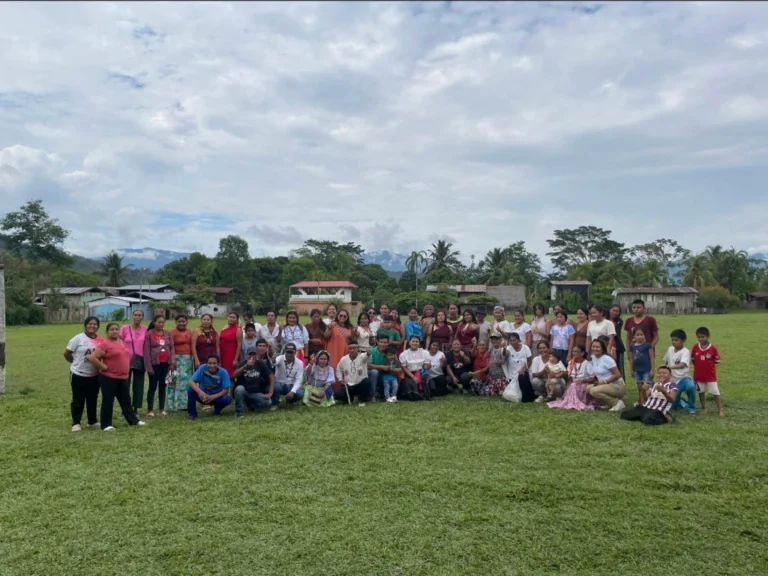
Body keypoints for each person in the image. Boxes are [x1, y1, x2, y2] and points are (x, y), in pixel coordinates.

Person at [89, 322, 145, 431]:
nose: (114, 331)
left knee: (126, 400)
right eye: (112, 329)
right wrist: (102, 367)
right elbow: (93, 358)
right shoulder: (104, 344)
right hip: (108, 377)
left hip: (122, 377)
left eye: (116, 329)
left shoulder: (121, 342)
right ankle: (106, 424)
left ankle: (133, 420)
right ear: (107, 332)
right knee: (108, 400)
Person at [64, 316, 103, 431]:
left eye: (95, 324)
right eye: (90, 324)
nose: (92, 326)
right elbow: (67, 353)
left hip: (94, 375)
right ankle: (76, 423)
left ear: (98, 326)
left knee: (92, 398)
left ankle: (92, 421)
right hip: (78, 374)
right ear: (86, 325)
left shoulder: (100, 340)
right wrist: (74, 362)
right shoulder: (78, 338)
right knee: (78, 399)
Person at [547, 344, 600, 411]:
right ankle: (570, 401)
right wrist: (566, 391)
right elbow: (570, 379)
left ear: (582, 353)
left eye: (576, 351)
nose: (574, 353)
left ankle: (575, 402)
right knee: (573, 385)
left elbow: (593, 378)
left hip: (584, 384)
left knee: (574, 385)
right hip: (573, 385)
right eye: (573, 351)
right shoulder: (571, 363)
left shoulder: (587, 363)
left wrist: (582, 380)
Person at [143, 315, 175, 418]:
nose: (161, 324)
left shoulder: (168, 334)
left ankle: (161, 409)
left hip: (165, 364)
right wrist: (149, 367)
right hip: (154, 364)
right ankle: (150, 410)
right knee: (152, 387)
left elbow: (172, 348)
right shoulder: (149, 334)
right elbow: (146, 351)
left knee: (163, 386)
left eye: (162, 322)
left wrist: (172, 363)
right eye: (159, 322)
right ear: (154, 322)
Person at [233, 340, 275, 417]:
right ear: (247, 355)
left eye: (254, 354)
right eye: (250, 354)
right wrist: (246, 366)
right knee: (239, 389)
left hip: (255, 393)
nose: (252, 357)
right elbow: (235, 375)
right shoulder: (242, 363)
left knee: (268, 402)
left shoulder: (260, 363)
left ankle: (251, 406)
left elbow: (272, 376)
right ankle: (240, 413)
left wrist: (270, 393)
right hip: (243, 391)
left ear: (256, 355)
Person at [187, 354, 233, 420]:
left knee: (227, 399)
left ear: (218, 364)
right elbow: (190, 382)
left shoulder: (223, 372)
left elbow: (226, 390)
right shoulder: (202, 368)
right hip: (203, 397)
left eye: (214, 363)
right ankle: (192, 414)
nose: (212, 365)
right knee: (191, 390)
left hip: (217, 397)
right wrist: (200, 393)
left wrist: (213, 397)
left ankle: (217, 411)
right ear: (206, 363)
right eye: (209, 363)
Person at [585, 339, 626, 411]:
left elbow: (617, 374)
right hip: (604, 384)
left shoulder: (607, 359)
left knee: (594, 391)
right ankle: (608, 403)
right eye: (593, 346)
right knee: (588, 388)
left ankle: (617, 403)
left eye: (597, 347)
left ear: (602, 349)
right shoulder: (593, 358)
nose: (595, 349)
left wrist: (604, 382)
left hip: (616, 385)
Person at [692, 326, 723, 417]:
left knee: (715, 393)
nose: (701, 339)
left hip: (710, 376)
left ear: (708, 336)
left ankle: (720, 409)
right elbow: (693, 359)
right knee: (701, 392)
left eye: (703, 337)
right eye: (699, 337)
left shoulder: (712, 348)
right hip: (699, 375)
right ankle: (703, 407)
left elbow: (716, 361)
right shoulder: (695, 347)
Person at [119, 309, 147, 412]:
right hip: (125, 360)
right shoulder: (124, 328)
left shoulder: (145, 329)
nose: (137, 317)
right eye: (135, 315)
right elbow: (119, 341)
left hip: (140, 360)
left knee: (138, 385)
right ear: (132, 316)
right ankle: (125, 409)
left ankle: (135, 409)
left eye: (140, 315)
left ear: (142, 317)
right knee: (125, 385)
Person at [664, 329, 696, 415]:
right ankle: (682, 402)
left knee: (691, 387)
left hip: (683, 378)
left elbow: (682, 365)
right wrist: (665, 374)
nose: (674, 342)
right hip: (673, 381)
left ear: (683, 340)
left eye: (676, 340)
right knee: (674, 408)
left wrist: (670, 367)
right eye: (672, 340)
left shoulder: (685, 351)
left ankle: (691, 407)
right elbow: (666, 362)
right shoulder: (670, 349)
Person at [168, 314, 192, 412]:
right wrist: (172, 361)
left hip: (187, 360)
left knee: (186, 382)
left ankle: (185, 404)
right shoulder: (172, 333)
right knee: (174, 381)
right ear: (176, 322)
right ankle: (174, 404)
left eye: (183, 321)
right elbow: (170, 347)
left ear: (186, 322)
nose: (181, 323)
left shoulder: (190, 332)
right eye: (179, 321)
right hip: (176, 359)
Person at [335, 342, 372, 407]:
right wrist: (340, 379)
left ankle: (361, 401)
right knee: (337, 394)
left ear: (357, 349)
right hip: (348, 385)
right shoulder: (343, 359)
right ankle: (352, 398)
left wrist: (368, 352)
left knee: (367, 381)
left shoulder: (362, 357)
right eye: (350, 348)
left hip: (360, 384)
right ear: (348, 349)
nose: (352, 350)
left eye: (354, 348)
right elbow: (338, 369)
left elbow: (367, 355)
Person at [271, 343, 305, 408]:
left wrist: (292, 391)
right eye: (287, 352)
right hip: (280, 384)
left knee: (300, 393)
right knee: (276, 387)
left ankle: (289, 401)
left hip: (291, 385)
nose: (289, 354)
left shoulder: (300, 363)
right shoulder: (279, 358)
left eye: (291, 352)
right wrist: (273, 360)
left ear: (295, 353)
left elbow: (299, 380)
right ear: (285, 352)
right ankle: (275, 404)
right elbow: (275, 362)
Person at [398, 335, 432, 400]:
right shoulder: (404, 354)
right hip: (409, 374)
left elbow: (427, 366)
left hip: (421, 373)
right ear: (409, 342)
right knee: (409, 386)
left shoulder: (424, 352)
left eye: (417, 342)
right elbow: (404, 368)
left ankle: (424, 394)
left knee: (427, 380)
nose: (415, 343)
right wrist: (413, 377)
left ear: (419, 343)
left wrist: (428, 365)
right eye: (413, 341)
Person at [324, 306, 354, 378]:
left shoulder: (349, 328)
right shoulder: (333, 325)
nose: (342, 317)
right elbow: (326, 336)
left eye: (344, 316)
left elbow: (352, 340)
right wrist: (329, 327)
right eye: (340, 315)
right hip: (333, 351)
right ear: (337, 316)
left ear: (347, 318)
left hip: (345, 353)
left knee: (343, 370)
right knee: (333, 369)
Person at [504, 332, 535, 402]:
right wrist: (503, 348)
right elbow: (504, 355)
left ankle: (527, 398)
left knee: (523, 377)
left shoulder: (525, 348)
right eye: (511, 341)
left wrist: (524, 369)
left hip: (523, 372)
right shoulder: (508, 348)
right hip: (512, 375)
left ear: (518, 340)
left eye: (514, 340)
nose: (513, 342)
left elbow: (529, 360)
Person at [629, 327, 654, 405]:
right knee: (640, 388)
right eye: (638, 335)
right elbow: (632, 359)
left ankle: (648, 402)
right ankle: (642, 403)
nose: (640, 336)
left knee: (646, 387)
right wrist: (632, 370)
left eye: (642, 334)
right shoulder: (632, 346)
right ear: (634, 337)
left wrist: (652, 370)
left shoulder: (647, 345)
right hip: (637, 370)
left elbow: (652, 358)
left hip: (646, 370)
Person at [482, 332, 509, 396]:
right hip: (492, 378)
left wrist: (504, 348)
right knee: (490, 394)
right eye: (493, 339)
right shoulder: (491, 349)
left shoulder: (503, 349)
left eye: (497, 339)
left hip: (501, 378)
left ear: (501, 340)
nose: (495, 341)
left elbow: (505, 356)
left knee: (501, 394)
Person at [367, 334, 392, 401]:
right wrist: (381, 367)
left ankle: (392, 393)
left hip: (384, 374)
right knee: (374, 372)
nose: (383, 344)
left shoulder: (390, 352)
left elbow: (395, 365)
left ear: (388, 343)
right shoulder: (371, 351)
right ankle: (373, 395)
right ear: (377, 342)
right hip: (371, 374)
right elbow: (368, 365)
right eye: (381, 342)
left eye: (385, 342)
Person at [219, 312, 242, 379]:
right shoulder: (225, 327)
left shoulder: (238, 329)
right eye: (230, 317)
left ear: (237, 319)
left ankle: (231, 389)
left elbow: (239, 345)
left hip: (231, 354)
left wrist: (235, 359)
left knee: (230, 374)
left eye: (233, 317)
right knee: (222, 373)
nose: (231, 319)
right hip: (223, 352)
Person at [609, 305, 626, 379]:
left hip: (618, 347)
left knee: (619, 367)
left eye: (617, 311)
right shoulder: (603, 320)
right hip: (606, 346)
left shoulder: (619, 322)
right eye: (613, 310)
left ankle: (622, 384)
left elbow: (615, 333)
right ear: (610, 310)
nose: (615, 313)